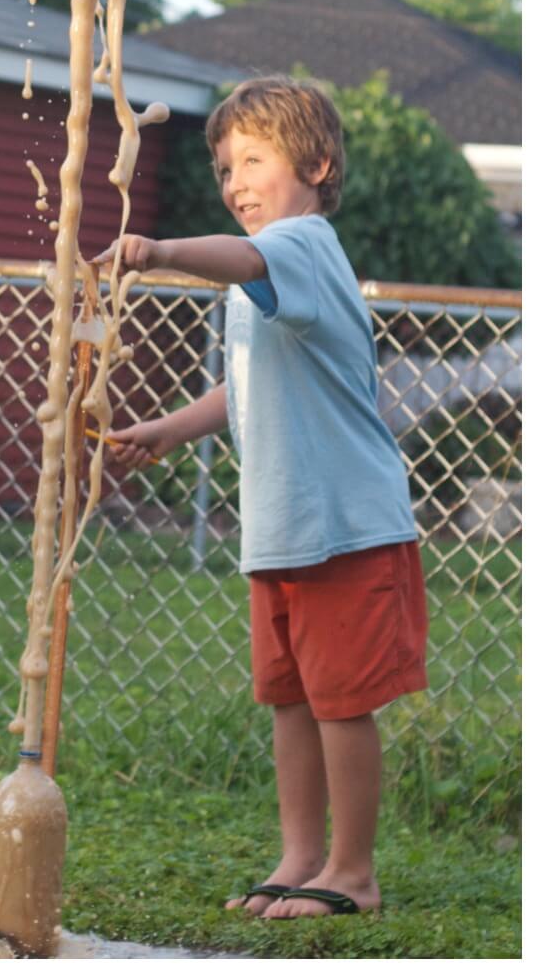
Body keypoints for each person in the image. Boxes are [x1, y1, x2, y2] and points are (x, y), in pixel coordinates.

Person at [91, 75, 428, 920]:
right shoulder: (267, 275)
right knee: (290, 700)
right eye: (225, 168)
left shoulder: (302, 244)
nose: (236, 182)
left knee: (341, 704)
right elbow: (248, 385)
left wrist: (161, 250)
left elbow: (240, 258)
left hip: (344, 527)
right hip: (284, 529)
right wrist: (173, 426)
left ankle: (352, 872)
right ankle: (300, 856)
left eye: (255, 159)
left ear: (315, 166)